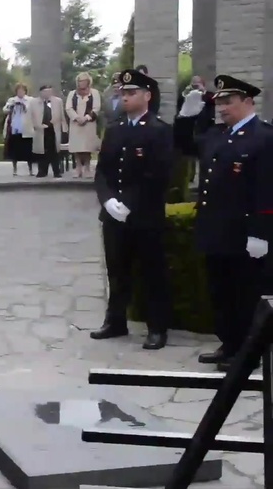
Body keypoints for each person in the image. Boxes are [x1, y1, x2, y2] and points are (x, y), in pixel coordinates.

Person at [193, 75, 273, 371]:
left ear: (248, 102)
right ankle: (229, 344)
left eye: (229, 101)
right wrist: (193, 113)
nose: (222, 107)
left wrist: (261, 232)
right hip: (216, 230)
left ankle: (247, 352)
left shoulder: (264, 137)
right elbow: (187, 143)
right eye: (219, 102)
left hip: (244, 233)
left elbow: (267, 188)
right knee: (220, 293)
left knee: (245, 295)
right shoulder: (217, 134)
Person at [91, 69, 175, 350]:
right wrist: (107, 200)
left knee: (152, 271)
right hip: (114, 215)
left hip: (144, 215)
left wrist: (128, 201)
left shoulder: (159, 130)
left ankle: (157, 328)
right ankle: (116, 321)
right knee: (116, 269)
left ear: (147, 96)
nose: (125, 97)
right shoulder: (115, 129)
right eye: (123, 93)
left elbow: (159, 175)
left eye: (131, 93)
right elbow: (102, 170)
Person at [28, 85, 66, 178]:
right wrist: (35, 126)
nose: (47, 94)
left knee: (54, 151)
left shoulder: (58, 101)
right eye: (45, 91)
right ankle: (42, 171)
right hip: (40, 129)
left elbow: (62, 116)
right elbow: (29, 116)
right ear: (41, 92)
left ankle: (56, 171)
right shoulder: (33, 102)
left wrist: (64, 129)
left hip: (54, 128)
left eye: (49, 91)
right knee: (41, 152)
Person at [1, 83, 34, 176]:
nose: (20, 92)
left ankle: (30, 170)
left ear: (25, 91)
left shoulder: (30, 100)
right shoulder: (12, 100)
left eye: (22, 90)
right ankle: (14, 170)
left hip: (26, 127)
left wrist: (24, 106)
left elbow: (32, 111)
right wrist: (11, 106)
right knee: (14, 150)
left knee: (28, 150)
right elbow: (5, 110)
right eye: (18, 91)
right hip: (15, 126)